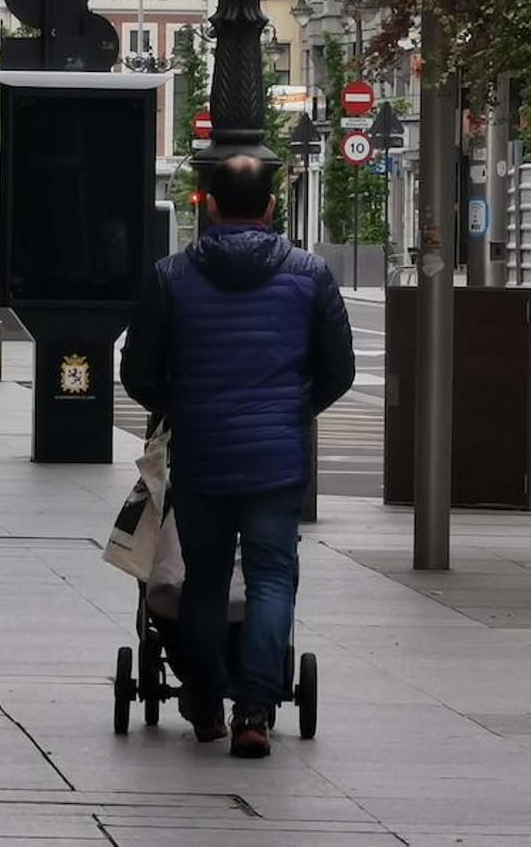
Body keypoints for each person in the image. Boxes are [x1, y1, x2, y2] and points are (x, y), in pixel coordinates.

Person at [121, 154, 354, 759]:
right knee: (273, 577)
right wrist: (296, 411)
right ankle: (256, 707)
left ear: (211, 205)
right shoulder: (311, 275)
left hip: (202, 455)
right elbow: (339, 370)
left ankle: (203, 703)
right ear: (272, 207)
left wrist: (177, 406)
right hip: (278, 459)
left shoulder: (171, 276)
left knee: (204, 580)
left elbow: (138, 371)